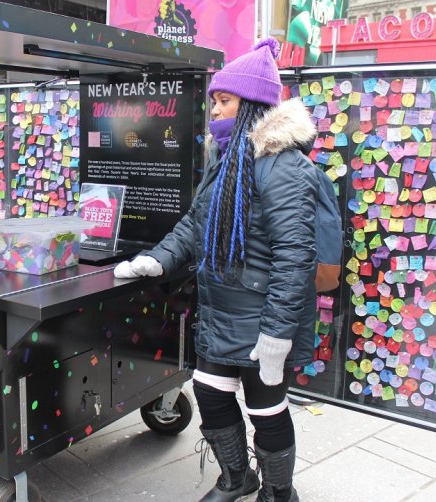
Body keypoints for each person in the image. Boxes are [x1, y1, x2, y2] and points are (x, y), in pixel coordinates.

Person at [114, 38, 318, 502]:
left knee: (267, 409)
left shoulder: (283, 167)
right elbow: (194, 223)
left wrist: (278, 334)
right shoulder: (226, 160)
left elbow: (294, 256)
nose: (215, 110)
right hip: (222, 310)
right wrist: (157, 258)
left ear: (250, 105)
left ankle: (279, 492)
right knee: (209, 395)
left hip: (262, 320)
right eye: (214, 101)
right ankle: (236, 477)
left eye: (223, 101)